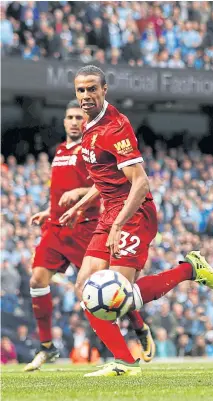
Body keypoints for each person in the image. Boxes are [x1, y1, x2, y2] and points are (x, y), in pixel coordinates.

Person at [60, 65, 213, 377]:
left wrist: (119, 225)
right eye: (80, 90)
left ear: (104, 90)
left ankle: (188, 270)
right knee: (85, 287)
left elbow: (140, 184)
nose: (85, 95)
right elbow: (106, 180)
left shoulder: (116, 127)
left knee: (117, 296)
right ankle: (130, 348)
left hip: (134, 214)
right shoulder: (88, 127)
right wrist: (80, 205)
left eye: (92, 89)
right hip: (110, 213)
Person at [24, 100, 155, 372]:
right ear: (63, 121)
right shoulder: (60, 151)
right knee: (37, 278)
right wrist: (47, 211)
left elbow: (105, 183)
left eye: (77, 117)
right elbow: (59, 192)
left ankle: (139, 326)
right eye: (69, 117)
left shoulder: (93, 147)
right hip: (58, 225)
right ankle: (47, 346)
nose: (73, 121)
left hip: (87, 225)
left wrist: (80, 196)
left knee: (108, 286)